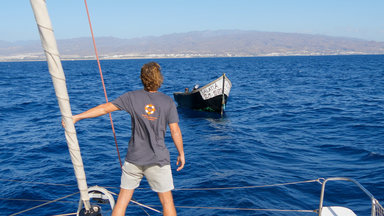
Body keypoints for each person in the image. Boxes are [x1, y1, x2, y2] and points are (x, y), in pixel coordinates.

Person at [69, 62, 185, 216]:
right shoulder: (168, 102)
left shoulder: (131, 97)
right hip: (158, 159)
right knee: (167, 202)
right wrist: (181, 153)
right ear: (160, 79)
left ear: (142, 78)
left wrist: (77, 117)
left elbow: (104, 108)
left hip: (134, 159)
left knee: (123, 200)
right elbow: (175, 130)